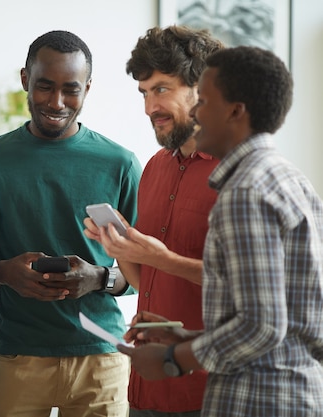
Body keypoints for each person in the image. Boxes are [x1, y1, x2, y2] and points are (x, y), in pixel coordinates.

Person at [118, 46, 323, 417]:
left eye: (204, 101)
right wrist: (188, 339)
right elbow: (286, 317)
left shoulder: (244, 190)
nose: (196, 112)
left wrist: (173, 358)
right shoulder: (283, 177)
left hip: (256, 400)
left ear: (235, 111)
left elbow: (262, 326)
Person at [0, 30, 142, 416]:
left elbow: (142, 273)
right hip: (17, 358)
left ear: (87, 88)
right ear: (25, 79)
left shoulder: (120, 164)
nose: (56, 102)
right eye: (44, 86)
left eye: (70, 89)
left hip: (102, 358)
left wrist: (97, 278)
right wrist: (7, 272)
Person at [83, 26, 223, 417]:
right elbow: (150, 283)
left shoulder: (238, 176)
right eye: (144, 93)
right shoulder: (155, 169)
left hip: (207, 393)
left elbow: (251, 288)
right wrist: (119, 245)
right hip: (146, 390)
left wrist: (162, 259)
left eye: (162, 89)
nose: (149, 108)